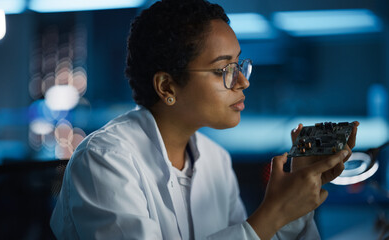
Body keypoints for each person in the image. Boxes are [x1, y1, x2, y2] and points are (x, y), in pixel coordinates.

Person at [50, 0, 359, 239]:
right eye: (223, 69)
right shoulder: (104, 161)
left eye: (240, 64)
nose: (242, 81)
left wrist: (293, 204)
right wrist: (272, 213)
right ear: (167, 86)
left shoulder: (215, 160)